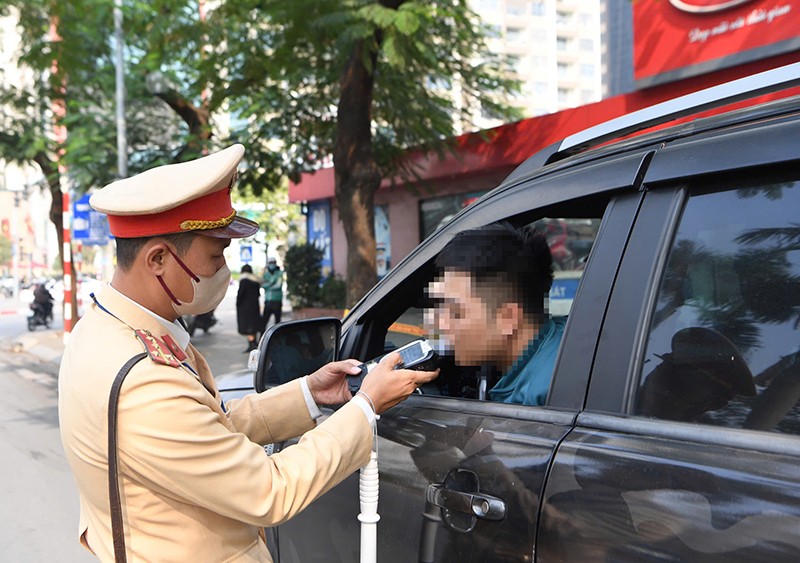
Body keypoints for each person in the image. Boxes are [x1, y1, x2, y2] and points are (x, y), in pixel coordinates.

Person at [57, 144, 438, 562]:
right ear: (159, 259)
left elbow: (207, 429)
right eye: (215, 256)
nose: (223, 272)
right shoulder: (144, 378)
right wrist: (365, 407)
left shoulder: (100, 329)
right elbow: (269, 492)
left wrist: (310, 393)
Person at [432, 221, 565, 406]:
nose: (441, 323)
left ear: (508, 318)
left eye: (456, 313)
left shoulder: (540, 401)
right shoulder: (563, 336)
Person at [236, 264, 262, 353]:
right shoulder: (255, 282)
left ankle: (252, 345)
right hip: (255, 307)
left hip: (245, 308)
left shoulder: (243, 281)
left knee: (248, 327)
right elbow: (258, 294)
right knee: (253, 326)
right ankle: (254, 343)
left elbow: (240, 295)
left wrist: (238, 304)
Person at [261, 257, 283, 330]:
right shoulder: (266, 274)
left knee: (277, 323)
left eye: (273, 263)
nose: (272, 264)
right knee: (264, 322)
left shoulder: (280, 273)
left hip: (277, 300)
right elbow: (262, 285)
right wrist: (271, 283)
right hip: (268, 301)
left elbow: (278, 285)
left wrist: (268, 285)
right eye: (270, 263)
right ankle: (262, 338)